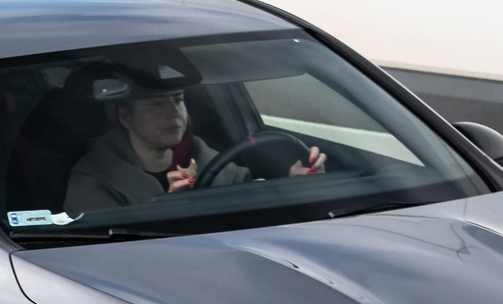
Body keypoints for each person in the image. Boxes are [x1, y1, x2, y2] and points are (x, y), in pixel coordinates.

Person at [64, 87, 323, 215]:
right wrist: (169, 208)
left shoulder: (206, 158)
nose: (174, 112)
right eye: (157, 104)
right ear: (126, 118)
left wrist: (293, 185)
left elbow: (250, 202)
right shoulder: (94, 180)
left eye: (178, 100)